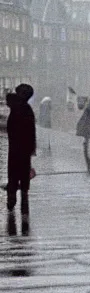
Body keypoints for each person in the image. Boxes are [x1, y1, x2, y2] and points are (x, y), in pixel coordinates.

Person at [6, 84, 36, 217]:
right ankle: (24, 201)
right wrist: (31, 147)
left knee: (13, 174)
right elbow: (31, 131)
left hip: (14, 148)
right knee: (24, 175)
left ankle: (11, 199)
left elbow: (10, 128)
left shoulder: (14, 107)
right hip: (24, 148)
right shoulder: (26, 109)